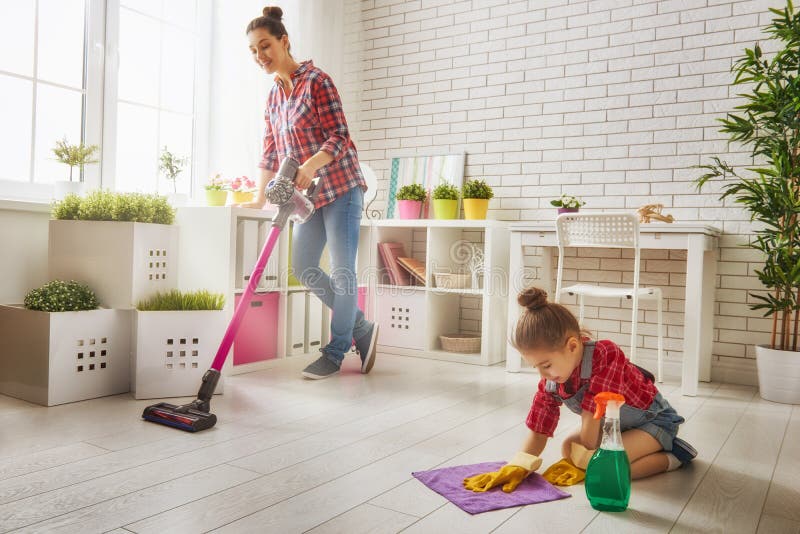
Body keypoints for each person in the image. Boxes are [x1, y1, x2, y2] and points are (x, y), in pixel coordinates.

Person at [243, 6, 378, 379]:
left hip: (342, 186)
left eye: (265, 46)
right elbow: (270, 151)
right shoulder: (273, 98)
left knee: (342, 272)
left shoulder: (317, 80)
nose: (260, 56)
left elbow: (340, 135)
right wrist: (258, 197)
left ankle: (335, 352)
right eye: (254, 50)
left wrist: (308, 167)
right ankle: (362, 328)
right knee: (303, 267)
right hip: (309, 198)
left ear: (284, 41)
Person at [464, 287, 697, 493]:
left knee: (608, 470)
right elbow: (539, 429)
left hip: (653, 423)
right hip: (610, 427)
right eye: (536, 367)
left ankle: (674, 457)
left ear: (573, 346)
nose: (543, 375)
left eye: (546, 365)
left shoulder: (606, 354)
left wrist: (586, 459)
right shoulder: (552, 379)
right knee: (568, 448)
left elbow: (593, 410)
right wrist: (519, 465)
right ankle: (605, 458)